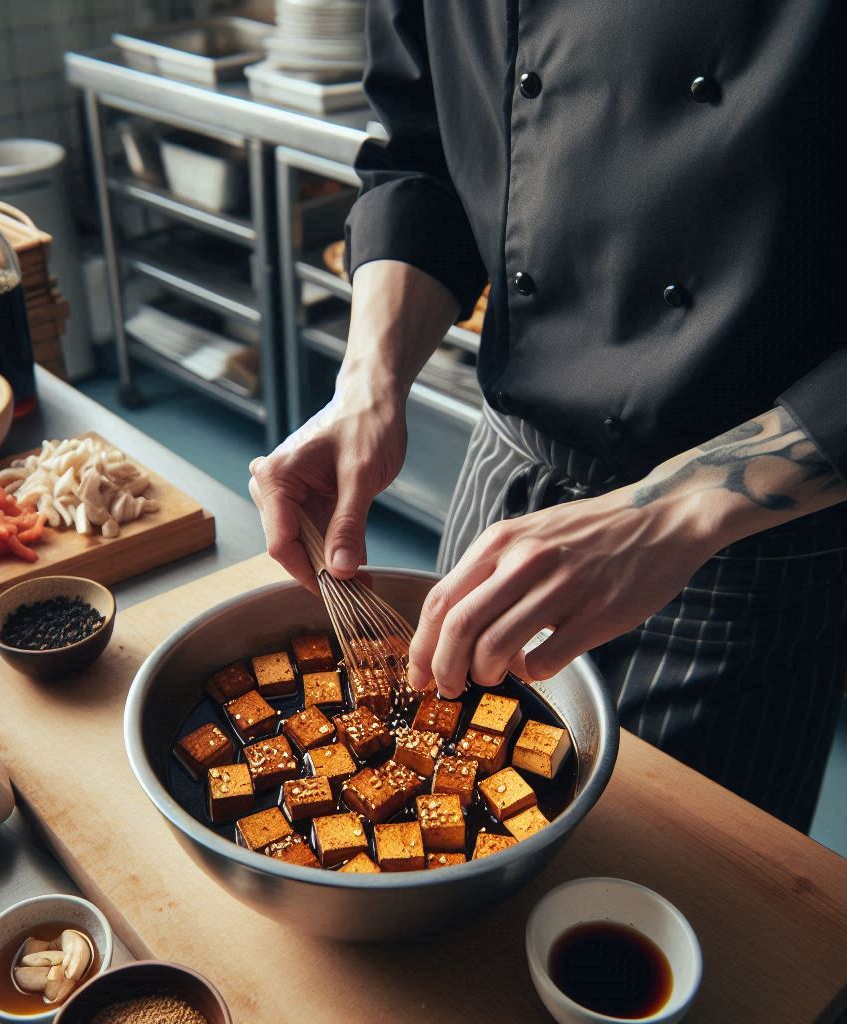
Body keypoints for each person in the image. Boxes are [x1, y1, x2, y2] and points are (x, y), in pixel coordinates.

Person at [250, 1, 847, 831]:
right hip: (508, 477)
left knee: (692, 905)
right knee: (450, 825)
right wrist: (368, 380)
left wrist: (667, 510)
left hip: (749, 536)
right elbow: (422, 156)